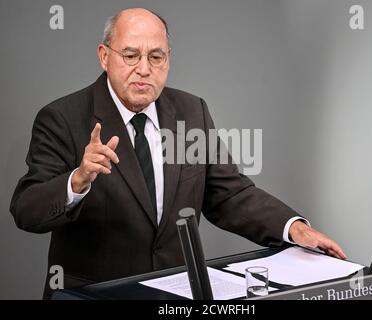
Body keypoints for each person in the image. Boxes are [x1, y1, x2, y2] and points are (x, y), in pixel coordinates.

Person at [10, 8, 346, 299]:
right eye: (130, 55)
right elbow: (26, 210)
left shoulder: (189, 111)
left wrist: (295, 228)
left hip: (175, 295)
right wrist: (78, 180)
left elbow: (229, 195)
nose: (144, 69)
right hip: (95, 295)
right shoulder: (62, 118)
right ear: (104, 56)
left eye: (156, 57)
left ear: (168, 58)